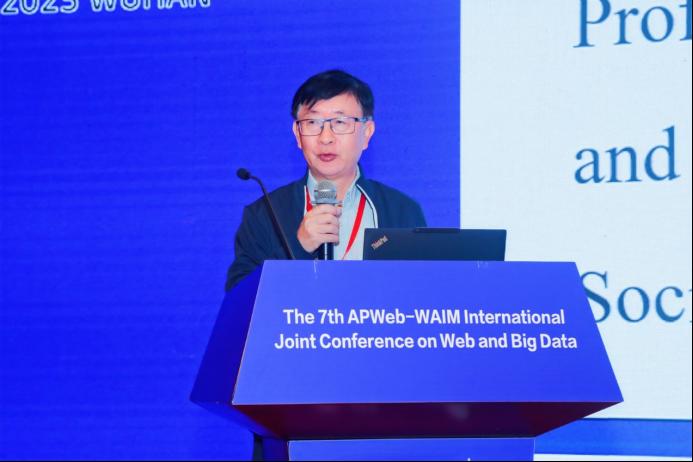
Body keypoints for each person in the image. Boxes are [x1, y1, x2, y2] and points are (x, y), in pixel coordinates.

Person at [226, 70, 426, 290]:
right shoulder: (264, 214)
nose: (326, 137)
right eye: (313, 122)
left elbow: (422, 294)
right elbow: (240, 302)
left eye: (340, 122)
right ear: (298, 134)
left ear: (367, 133)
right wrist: (299, 246)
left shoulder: (402, 210)